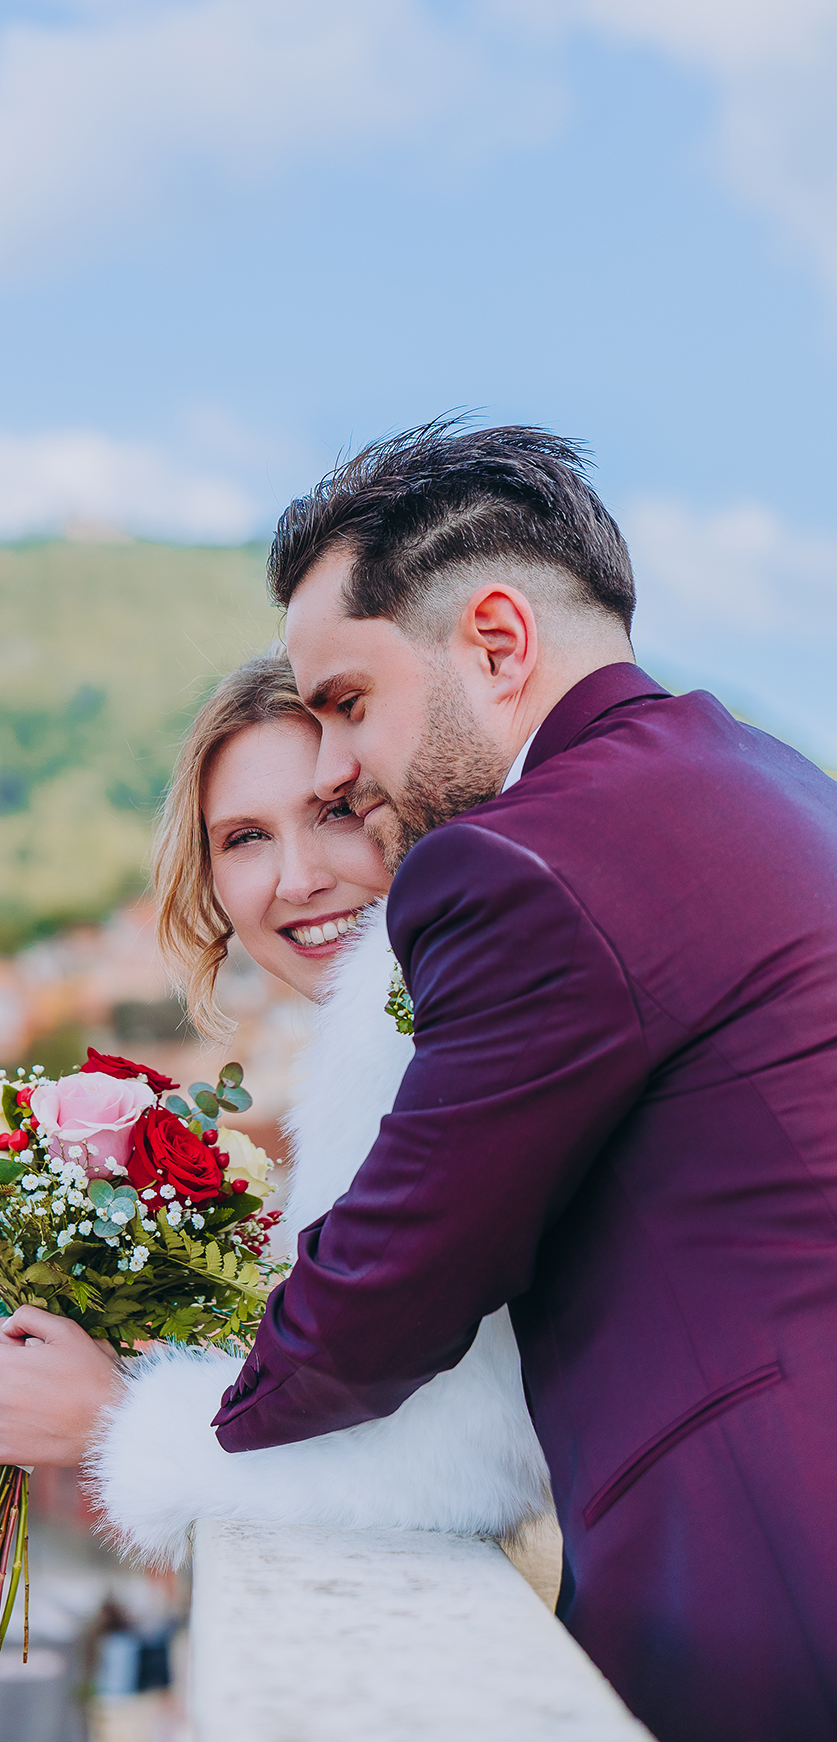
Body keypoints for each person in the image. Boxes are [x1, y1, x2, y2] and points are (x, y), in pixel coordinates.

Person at [211, 422, 837, 1742]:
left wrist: (154, 1429)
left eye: (346, 706)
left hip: (769, 1581)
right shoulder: (775, 782)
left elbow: (382, 1298)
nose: (334, 769)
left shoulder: (521, 864)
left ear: (496, 643)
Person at [0, 651, 553, 1578]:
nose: (297, 879)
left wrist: (114, 1419)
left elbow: (463, 1460)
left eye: (336, 813)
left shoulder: (429, 1036)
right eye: (243, 838)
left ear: (409, 806)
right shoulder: (405, 1028)